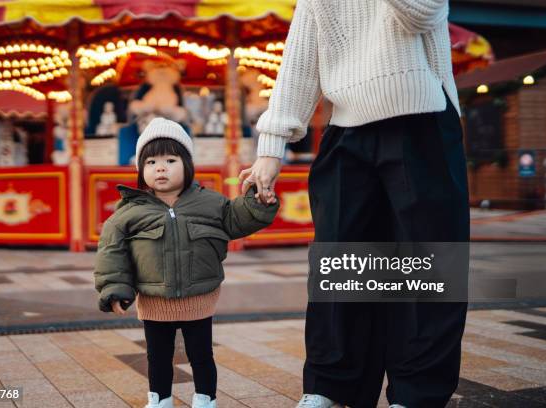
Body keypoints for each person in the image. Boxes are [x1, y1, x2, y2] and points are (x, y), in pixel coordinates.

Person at [239, 1, 469, 407]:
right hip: (346, 129)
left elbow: (423, 13)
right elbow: (299, 63)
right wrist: (271, 147)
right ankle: (329, 386)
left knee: (427, 265)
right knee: (341, 262)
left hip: (423, 121)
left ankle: (417, 394)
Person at [95, 117, 279, 408]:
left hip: (199, 297)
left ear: (187, 165)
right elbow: (111, 252)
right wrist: (115, 289)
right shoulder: (129, 212)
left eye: (170, 159)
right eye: (151, 162)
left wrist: (257, 201)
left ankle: (205, 399)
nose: (161, 168)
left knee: (201, 354)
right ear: (141, 170)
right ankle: (160, 399)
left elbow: (237, 219)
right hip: (154, 299)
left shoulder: (211, 203)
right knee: (158, 356)